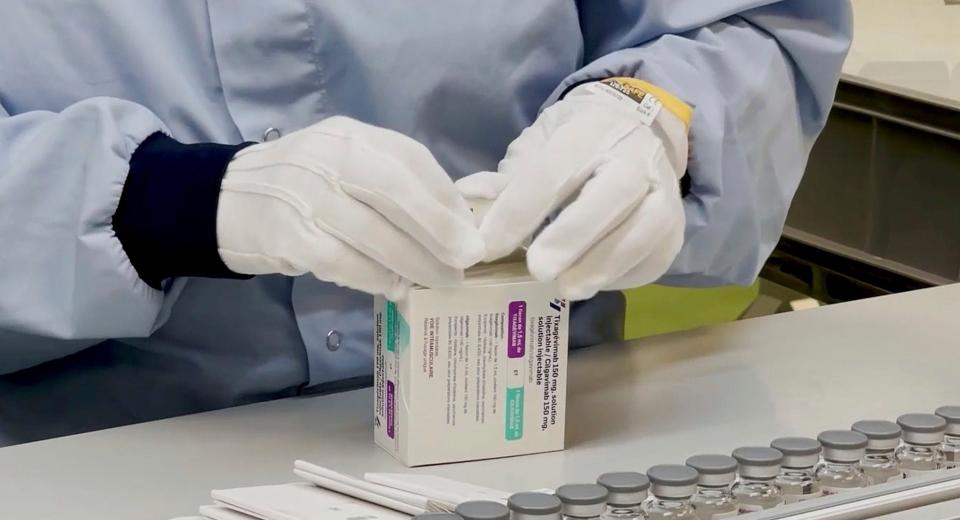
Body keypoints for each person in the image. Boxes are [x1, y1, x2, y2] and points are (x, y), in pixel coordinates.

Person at [0, 2, 852, 445]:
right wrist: (163, 202)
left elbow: (754, 23)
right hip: (89, 466)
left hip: (550, 442)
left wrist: (659, 118)